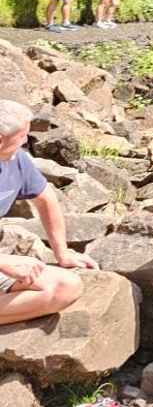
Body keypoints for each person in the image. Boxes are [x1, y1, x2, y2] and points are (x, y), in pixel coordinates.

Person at [0, 100, 96, 326]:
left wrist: (62, 253)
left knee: (66, 287)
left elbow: (46, 199)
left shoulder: (17, 161)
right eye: (23, 135)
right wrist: (4, 262)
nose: (26, 141)